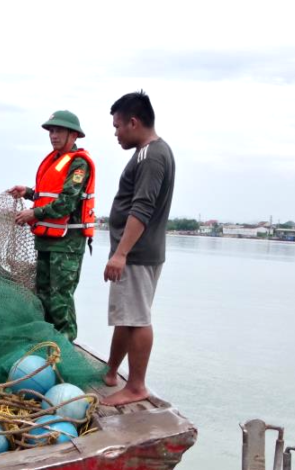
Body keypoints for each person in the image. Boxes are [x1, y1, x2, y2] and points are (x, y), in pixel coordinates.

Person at [101, 91, 175, 406]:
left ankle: (136, 386)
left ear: (134, 122)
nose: (116, 133)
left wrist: (121, 253)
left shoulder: (151, 155)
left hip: (136, 253)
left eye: (118, 126)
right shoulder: (151, 153)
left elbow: (142, 208)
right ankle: (112, 371)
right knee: (126, 315)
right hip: (136, 252)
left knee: (137, 318)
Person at [8, 110, 96, 341]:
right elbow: (49, 195)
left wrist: (33, 214)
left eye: (59, 130)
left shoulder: (78, 163)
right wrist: (28, 193)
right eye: (51, 131)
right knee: (44, 295)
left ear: (74, 134)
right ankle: (48, 344)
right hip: (46, 241)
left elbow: (66, 203)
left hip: (67, 244)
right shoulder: (54, 160)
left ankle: (65, 347)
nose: (53, 135)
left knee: (60, 298)